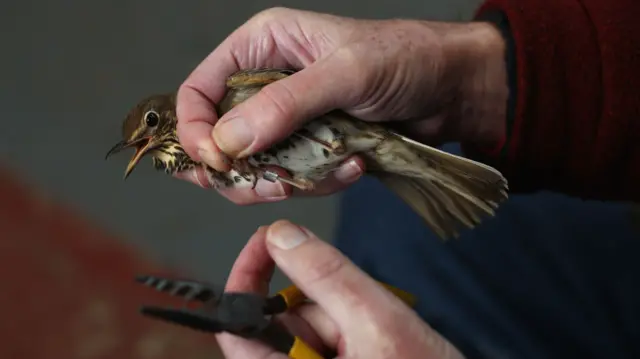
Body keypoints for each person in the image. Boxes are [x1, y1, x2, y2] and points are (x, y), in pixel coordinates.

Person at [172, 0, 639, 357]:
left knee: (391, 237)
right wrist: (469, 80)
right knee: (386, 222)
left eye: (155, 125)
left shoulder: (236, 90)